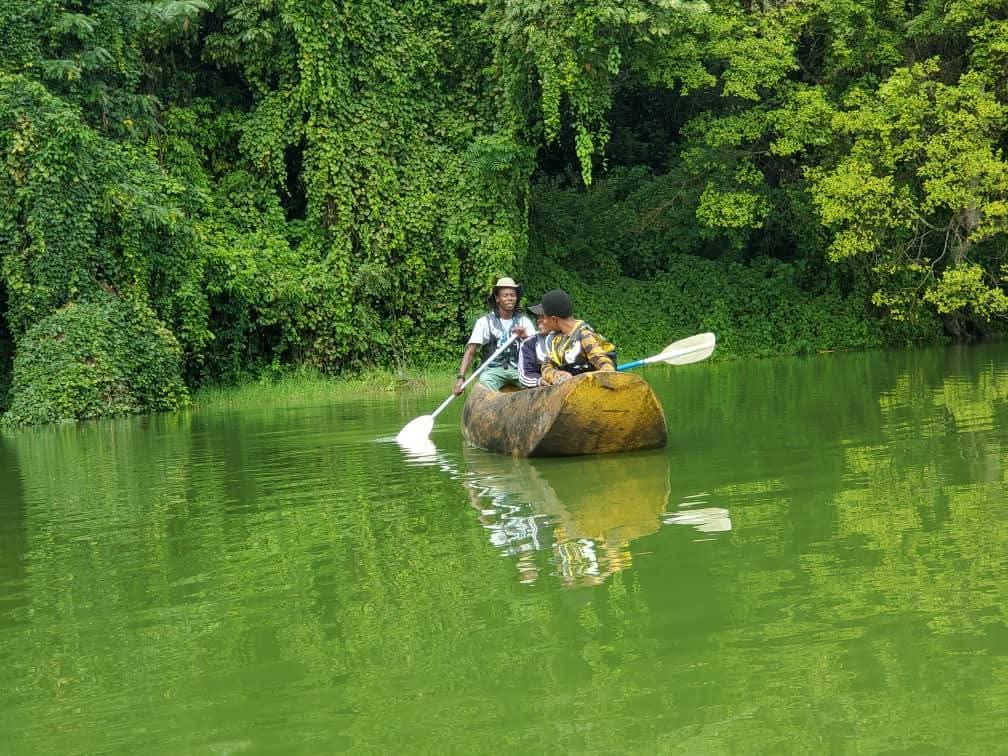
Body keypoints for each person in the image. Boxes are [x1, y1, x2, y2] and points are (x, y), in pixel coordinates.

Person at [453, 277, 535, 394]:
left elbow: (536, 348)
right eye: (505, 295)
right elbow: (470, 352)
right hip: (493, 371)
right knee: (485, 382)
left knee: (536, 384)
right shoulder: (484, 322)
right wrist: (461, 378)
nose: (510, 298)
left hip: (519, 369)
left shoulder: (524, 321)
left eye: (512, 295)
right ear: (497, 298)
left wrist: (525, 336)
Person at [530, 289, 616, 385]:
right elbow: (545, 367)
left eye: (544, 317)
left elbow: (605, 364)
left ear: (554, 319)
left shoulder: (584, 335)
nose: (543, 321)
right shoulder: (554, 339)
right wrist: (556, 374)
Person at [518, 307, 556, 388]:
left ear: (554, 318)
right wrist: (539, 381)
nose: (538, 320)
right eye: (538, 317)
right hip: (542, 391)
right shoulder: (529, 343)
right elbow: (525, 374)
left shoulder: (568, 337)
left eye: (542, 317)